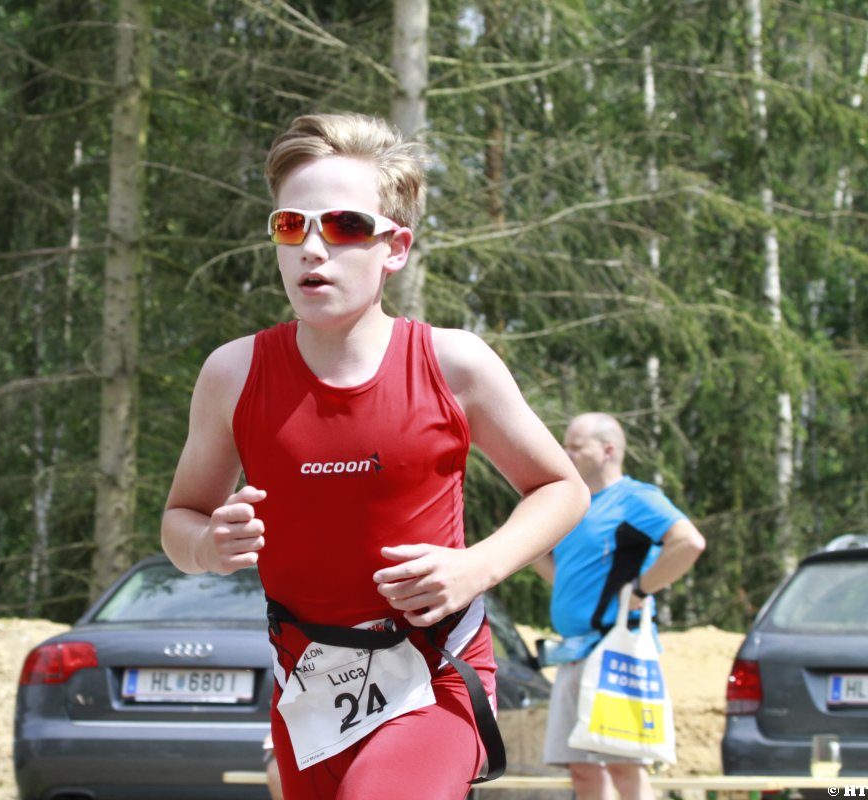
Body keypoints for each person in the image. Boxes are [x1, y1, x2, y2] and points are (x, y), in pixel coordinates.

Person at [160, 112, 590, 800]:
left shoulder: (453, 363)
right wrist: (208, 546)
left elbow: (562, 489)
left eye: (344, 226)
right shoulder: (233, 375)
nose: (313, 248)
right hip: (311, 697)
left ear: (395, 248)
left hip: (435, 678)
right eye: (291, 226)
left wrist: (477, 566)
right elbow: (180, 520)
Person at [533, 412, 706, 800]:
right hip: (572, 652)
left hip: (616, 651)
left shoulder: (635, 499)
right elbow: (541, 553)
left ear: (608, 450)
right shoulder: (571, 503)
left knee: (624, 766)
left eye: (576, 446)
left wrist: (642, 588)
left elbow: (689, 542)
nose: (565, 453)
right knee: (582, 770)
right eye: (565, 445)